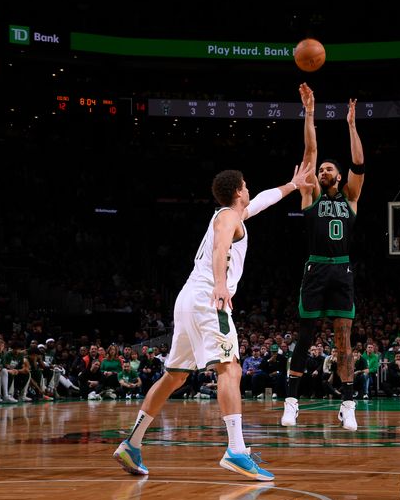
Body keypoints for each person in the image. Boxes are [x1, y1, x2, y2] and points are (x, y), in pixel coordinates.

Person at [113, 163, 311, 481]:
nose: (249, 189)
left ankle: (132, 444)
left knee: (174, 377)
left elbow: (260, 201)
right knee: (230, 367)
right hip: (209, 298)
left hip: (188, 299)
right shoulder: (228, 218)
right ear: (236, 191)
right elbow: (221, 247)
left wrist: (290, 185)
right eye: (245, 185)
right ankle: (236, 450)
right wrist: (220, 284)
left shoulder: (231, 215)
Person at [281, 82, 365, 431]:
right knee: (305, 335)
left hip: (341, 270)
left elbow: (359, 162)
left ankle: (347, 403)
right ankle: (291, 401)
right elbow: (310, 151)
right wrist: (310, 113)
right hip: (316, 268)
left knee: (343, 339)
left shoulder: (351, 199)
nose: (324, 171)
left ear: (339, 176)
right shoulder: (310, 196)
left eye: (330, 169)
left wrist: (351, 125)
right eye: (322, 170)